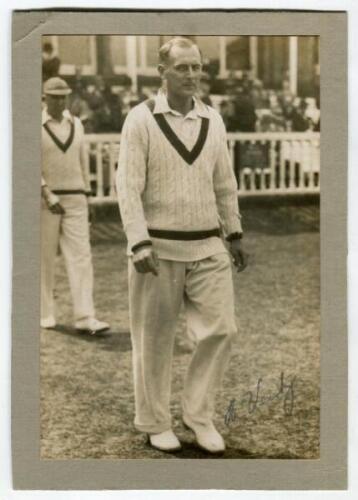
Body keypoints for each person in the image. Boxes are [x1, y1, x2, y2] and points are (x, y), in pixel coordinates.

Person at [116, 37, 248, 454]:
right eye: (182, 68)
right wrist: (138, 242)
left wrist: (234, 232)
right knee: (153, 340)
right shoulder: (140, 120)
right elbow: (127, 186)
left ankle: (199, 416)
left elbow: (224, 183)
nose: (192, 75)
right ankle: (155, 421)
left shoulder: (213, 119)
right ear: (163, 73)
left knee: (221, 329)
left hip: (208, 244)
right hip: (157, 250)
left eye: (196, 67)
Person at [41, 77, 110, 334]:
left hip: (75, 197)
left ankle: (85, 316)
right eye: (54, 96)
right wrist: (46, 193)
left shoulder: (77, 124)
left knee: (81, 257)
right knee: (44, 259)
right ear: (44, 98)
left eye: (63, 96)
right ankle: (46, 312)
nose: (59, 101)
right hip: (45, 201)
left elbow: (82, 162)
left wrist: (87, 196)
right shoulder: (35, 125)